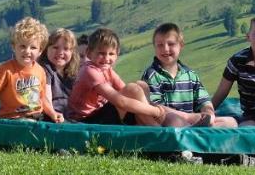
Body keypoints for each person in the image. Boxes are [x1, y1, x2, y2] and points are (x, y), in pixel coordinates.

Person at [67, 27, 211, 127]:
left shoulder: (106, 69)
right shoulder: (90, 71)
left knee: (140, 85)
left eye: (111, 54)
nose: (106, 59)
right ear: (89, 53)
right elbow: (121, 101)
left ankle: (161, 122)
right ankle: (157, 128)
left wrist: (146, 106)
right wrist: (155, 111)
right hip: (86, 121)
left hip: (101, 114)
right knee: (133, 90)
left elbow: (125, 89)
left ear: (117, 54)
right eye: (101, 53)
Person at [139, 23, 238, 128]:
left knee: (231, 122)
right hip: (168, 123)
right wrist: (188, 117)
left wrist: (209, 114)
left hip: (193, 121)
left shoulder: (190, 75)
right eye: (160, 45)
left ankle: (199, 130)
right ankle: (195, 132)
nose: (165, 49)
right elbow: (156, 108)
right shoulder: (152, 75)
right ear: (154, 47)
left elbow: (204, 101)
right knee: (174, 123)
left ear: (181, 45)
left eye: (171, 44)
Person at [0, 17, 63, 122]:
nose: (27, 51)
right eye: (22, 46)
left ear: (40, 50)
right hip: (12, 118)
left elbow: (43, 98)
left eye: (33, 48)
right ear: (14, 47)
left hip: (37, 116)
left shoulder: (40, 71)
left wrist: (53, 113)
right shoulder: (6, 70)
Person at [43, 27, 78, 116]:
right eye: (55, 47)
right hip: (53, 116)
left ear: (72, 52)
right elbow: (46, 98)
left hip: (71, 116)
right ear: (46, 49)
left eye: (66, 49)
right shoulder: (45, 70)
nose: (60, 52)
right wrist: (53, 114)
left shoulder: (72, 74)